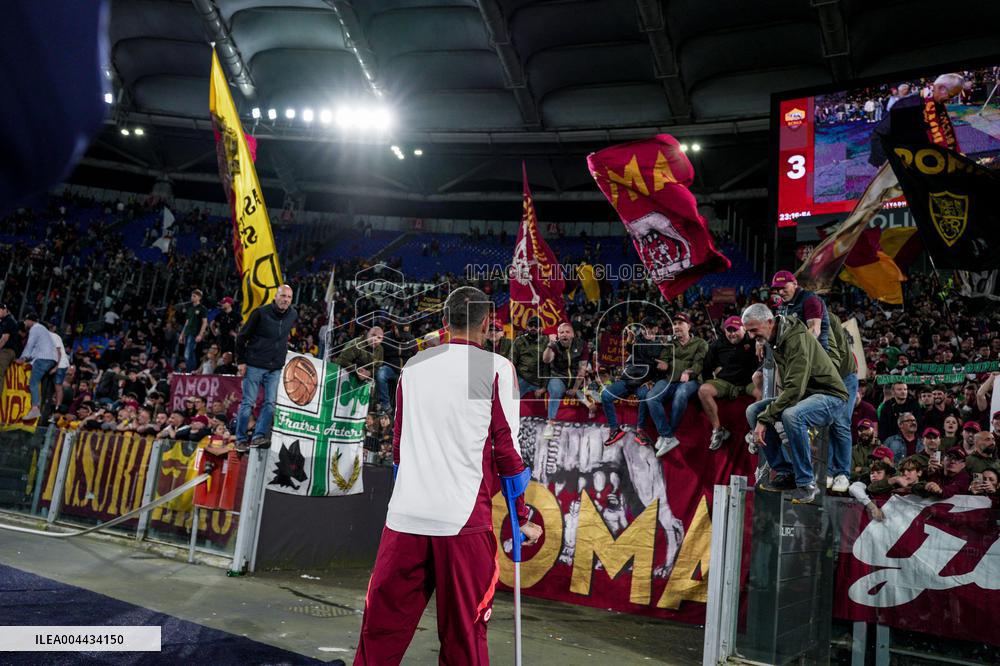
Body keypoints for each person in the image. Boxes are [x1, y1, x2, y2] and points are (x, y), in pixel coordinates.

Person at [355, 286, 542, 665]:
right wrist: (520, 518)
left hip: (405, 519)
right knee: (463, 641)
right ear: (487, 324)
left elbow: (397, 447)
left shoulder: (415, 366)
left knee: (380, 635)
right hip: (461, 524)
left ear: (444, 322)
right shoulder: (491, 368)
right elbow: (507, 453)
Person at [742, 303, 848, 504]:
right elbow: (792, 389)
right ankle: (785, 472)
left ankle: (806, 483)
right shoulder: (776, 338)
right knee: (753, 410)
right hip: (805, 396)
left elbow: (793, 389)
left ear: (770, 322)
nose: (751, 336)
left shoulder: (795, 338)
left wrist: (766, 419)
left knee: (792, 415)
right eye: (748, 332)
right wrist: (764, 415)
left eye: (754, 330)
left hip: (831, 397)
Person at [234, 285, 297, 452]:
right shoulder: (260, 313)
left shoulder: (293, 314)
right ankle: (240, 439)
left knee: (270, 403)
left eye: (289, 297)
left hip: (275, 367)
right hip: (254, 364)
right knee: (248, 402)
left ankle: (258, 436)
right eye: (283, 296)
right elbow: (242, 337)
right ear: (275, 296)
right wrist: (240, 361)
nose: (286, 300)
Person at [643, 312, 707, 457]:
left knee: (681, 394)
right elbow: (665, 360)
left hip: (690, 381)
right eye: (674, 324)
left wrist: (689, 372)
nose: (676, 326)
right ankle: (667, 436)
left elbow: (699, 364)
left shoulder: (700, 343)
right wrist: (663, 364)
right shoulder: (670, 343)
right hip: (669, 379)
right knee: (651, 397)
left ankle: (667, 435)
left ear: (689, 326)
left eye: (680, 323)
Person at [602, 316, 667, 446]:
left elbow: (663, 368)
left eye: (650, 327)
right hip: (627, 380)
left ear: (656, 329)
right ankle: (615, 429)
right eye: (644, 328)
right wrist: (630, 340)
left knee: (644, 395)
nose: (646, 330)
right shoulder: (637, 341)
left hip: (643, 382)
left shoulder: (661, 346)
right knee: (605, 395)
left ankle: (640, 430)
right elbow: (631, 349)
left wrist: (652, 381)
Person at [699, 315, 759, 450]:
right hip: (726, 383)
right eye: (729, 330)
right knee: (704, 390)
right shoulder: (717, 345)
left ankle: (754, 433)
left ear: (744, 329)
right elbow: (706, 367)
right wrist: (712, 378)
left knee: (762, 391)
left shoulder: (755, 342)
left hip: (748, 382)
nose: (732, 334)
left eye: (735, 330)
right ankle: (718, 430)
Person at [825, 313, 860, 493]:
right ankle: (829, 471)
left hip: (845, 379)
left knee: (840, 424)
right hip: (827, 380)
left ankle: (843, 473)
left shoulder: (829, 321)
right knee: (829, 423)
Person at [540, 322, 588, 440]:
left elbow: (582, 369)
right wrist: (550, 344)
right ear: (558, 335)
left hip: (576, 380)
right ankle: (550, 424)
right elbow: (546, 360)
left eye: (567, 332)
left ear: (572, 334)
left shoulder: (582, 345)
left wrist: (575, 388)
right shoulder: (554, 345)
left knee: (594, 393)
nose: (564, 334)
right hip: (559, 378)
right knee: (555, 390)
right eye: (561, 332)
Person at [771, 270, 830, 350]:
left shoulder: (810, 300)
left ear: (795, 284)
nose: (780, 292)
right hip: (791, 352)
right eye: (777, 289)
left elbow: (814, 330)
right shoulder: (781, 304)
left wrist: (796, 349)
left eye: (784, 288)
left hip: (815, 353)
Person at [16, 313, 58, 420]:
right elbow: (37, 349)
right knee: (38, 382)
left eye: (26, 321)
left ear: (30, 320)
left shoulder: (35, 328)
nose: (25, 323)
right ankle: (38, 407)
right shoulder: (42, 329)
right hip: (50, 359)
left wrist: (23, 358)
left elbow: (30, 344)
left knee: (33, 382)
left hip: (44, 359)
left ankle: (35, 408)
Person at [510, 316, 549, 397]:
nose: (533, 328)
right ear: (527, 327)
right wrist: (512, 380)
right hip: (522, 378)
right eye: (531, 325)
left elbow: (548, 366)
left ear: (541, 328)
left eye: (536, 326)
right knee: (511, 400)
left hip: (539, 381)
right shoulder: (519, 341)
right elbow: (511, 362)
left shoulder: (546, 341)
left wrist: (544, 387)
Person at [178, 289, 208, 373]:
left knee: (188, 353)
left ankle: (189, 371)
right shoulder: (190, 309)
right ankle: (192, 371)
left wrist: (200, 334)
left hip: (195, 333)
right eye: (192, 296)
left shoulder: (202, 309)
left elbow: (205, 322)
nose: (192, 297)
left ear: (199, 298)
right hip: (187, 332)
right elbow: (186, 322)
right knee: (190, 353)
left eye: (194, 296)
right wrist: (182, 334)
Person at [48, 320, 70, 411]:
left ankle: (58, 406)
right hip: (54, 363)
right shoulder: (45, 336)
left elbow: (58, 353)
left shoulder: (54, 336)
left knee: (58, 385)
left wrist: (56, 367)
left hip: (61, 364)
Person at [0, 304, 19, 398]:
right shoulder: (4, 321)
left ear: (4, 309)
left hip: (7, 351)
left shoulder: (8, 320)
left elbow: (4, 339)